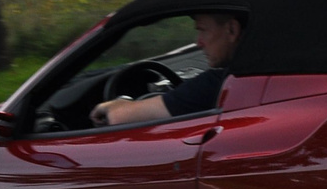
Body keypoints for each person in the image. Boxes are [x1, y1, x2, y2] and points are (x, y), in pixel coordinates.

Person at [90, 10, 244, 127]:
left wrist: (114, 105)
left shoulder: (218, 85)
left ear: (232, 29)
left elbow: (118, 117)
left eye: (203, 30)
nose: (199, 43)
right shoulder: (251, 75)